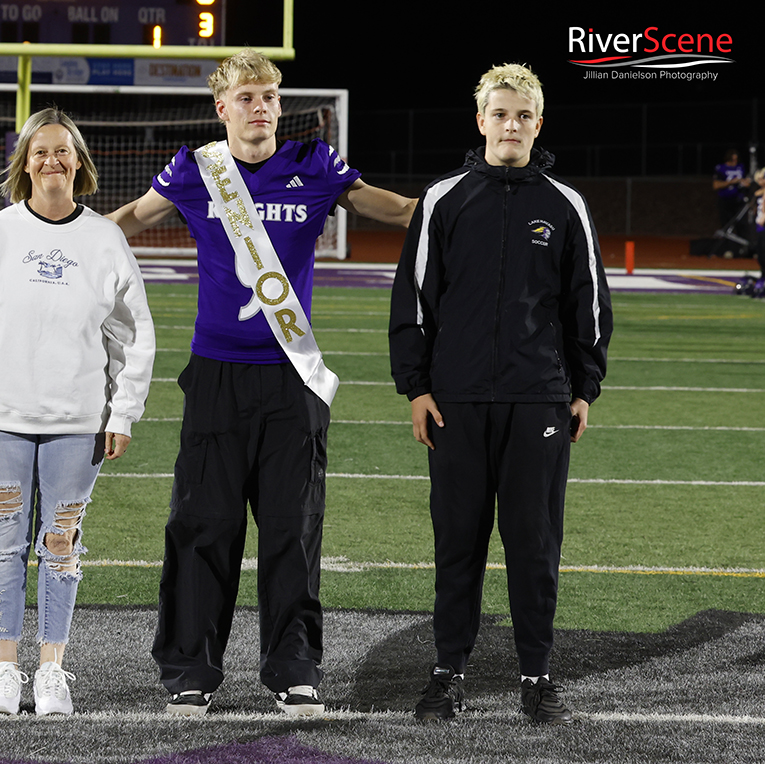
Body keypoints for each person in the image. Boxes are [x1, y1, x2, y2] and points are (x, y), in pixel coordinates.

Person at [106, 48, 417, 717]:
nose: (261, 107)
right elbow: (131, 219)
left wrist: (466, 209)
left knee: (292, 531)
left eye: (270, 95)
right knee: (200, 528)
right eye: (247, 96)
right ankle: (189, 670)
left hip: (291, 381)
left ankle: (294, 668)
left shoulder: (315, 164)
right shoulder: (195, 169)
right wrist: (52, 241)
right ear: (221, 108)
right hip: (215, 377)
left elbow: (392, 211)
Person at [388, 63, 612, 725]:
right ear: (480, 120)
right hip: (454, 402)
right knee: (457, 543)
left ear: (536, 124)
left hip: (537, 400)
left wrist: (582, 388)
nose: (509, 125)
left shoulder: (563, 203)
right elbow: (413, 301)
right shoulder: (443, 198)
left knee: (533, 543)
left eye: (522, 116)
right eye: (499, 114)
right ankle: (445, 674)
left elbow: (588, 305)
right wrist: (416, 388)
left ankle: (536, 677)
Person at [0, 107, 156, 716]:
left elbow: (133, 335)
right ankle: (4, 672)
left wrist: (122, 413)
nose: (51, 160)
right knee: (5, 542)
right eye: (40, 152)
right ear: (24, 163)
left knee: (60, 544)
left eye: (63, 151)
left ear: (80, 163)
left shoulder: (105, 240)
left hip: (78, 422)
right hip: (1, 418)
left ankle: (52, 670)